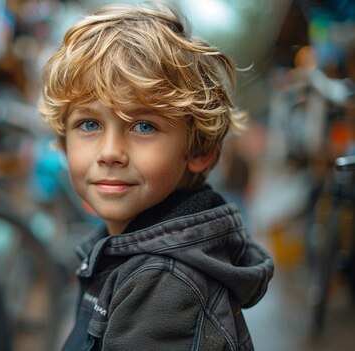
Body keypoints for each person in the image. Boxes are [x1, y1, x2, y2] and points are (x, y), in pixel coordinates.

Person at [38, 1, 274, 350]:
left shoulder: (164, 287)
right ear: (64, 138)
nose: (110, 153)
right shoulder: (125, 250)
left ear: (198, 150)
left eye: (144, 126)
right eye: (89, 124)